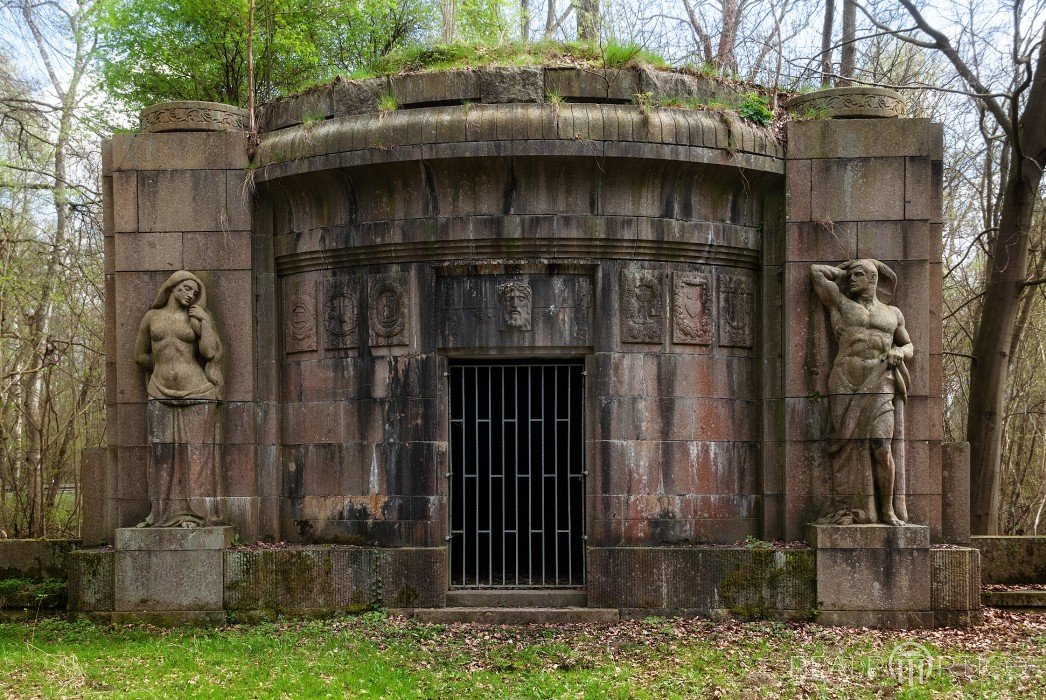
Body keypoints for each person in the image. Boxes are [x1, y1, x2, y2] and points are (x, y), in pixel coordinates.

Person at [810, 259, 913, 526]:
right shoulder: (842, 304)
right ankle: (847, 507)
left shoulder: (893, 314)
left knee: (881, 446)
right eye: (851, 276)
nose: (852, 280)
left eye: (858, 275)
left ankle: (887, 509)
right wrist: (844, 270)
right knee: (845, 445)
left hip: (880, 381)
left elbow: (909, 345)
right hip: (845, 379)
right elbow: (816, 271)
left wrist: (899, 351)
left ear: (872, 279)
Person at [133, 270, 224, 527]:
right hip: (159, 392)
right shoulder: (152, 318)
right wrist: (164, 369)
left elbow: (208, 352)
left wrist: (205, 322)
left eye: (194, 292)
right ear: (172, 288)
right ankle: (160, 513)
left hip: (198, 392)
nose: (189, 295)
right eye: (185, 289)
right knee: (162, 454)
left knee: (196, 455)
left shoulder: (195, 318)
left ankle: (195, 515)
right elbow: (139, 355)